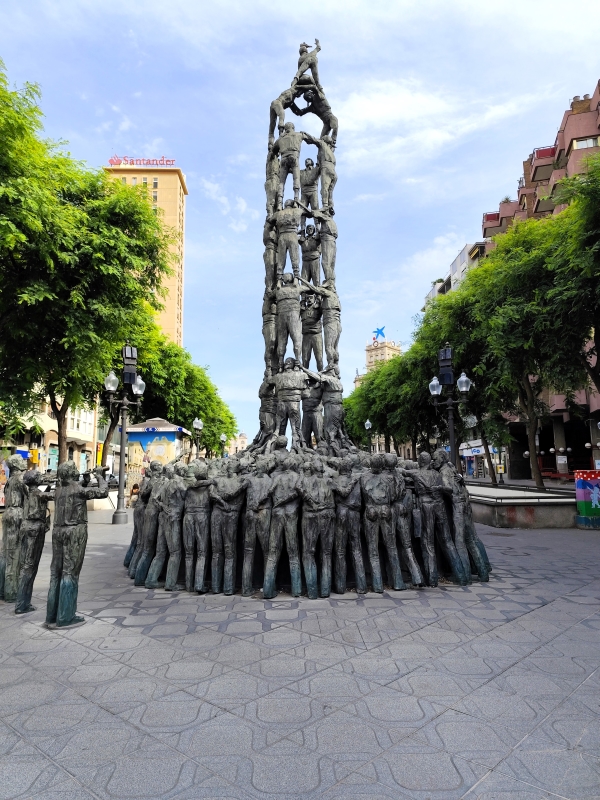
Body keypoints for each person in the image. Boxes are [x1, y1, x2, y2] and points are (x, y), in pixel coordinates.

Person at [46, 463, 108, 627]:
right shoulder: (78, 490)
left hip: (58, 531)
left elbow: (75, 491)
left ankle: (52, 615)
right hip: (74, 532)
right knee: (70, 573)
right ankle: (66, 617)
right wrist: (100, 475)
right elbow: (103, 492)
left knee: (56, 574)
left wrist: (85, 481)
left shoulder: (59, 489)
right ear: (73, 473)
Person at [360, 454, 404, 592]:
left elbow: (362, 493)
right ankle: (398, 582)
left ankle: (377, 585)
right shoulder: (388, 478)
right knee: (392, 548)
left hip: (370, 511)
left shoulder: (364, 477)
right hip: (386, 510)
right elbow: (395, 495)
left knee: (373, 551)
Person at [15, 470, 55, 614]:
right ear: (36, 480)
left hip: (26, 526)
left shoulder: (28, 493)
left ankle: (23, 602)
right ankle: (21, 604)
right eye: (40, 476)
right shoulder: (38, 494)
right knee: (30, 566)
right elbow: (56, 495)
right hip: (35, 528)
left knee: (26, 566)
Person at [263, 455, 302, 598]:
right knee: (293, 552)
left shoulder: (277, 478)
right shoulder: (298, 477)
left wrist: (277, 501)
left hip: (277, 513)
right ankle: (297, 589)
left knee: (273, 552)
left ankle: (267, 590)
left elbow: (269, 492)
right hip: (291, 513)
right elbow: (300, 494)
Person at [210, 459, 245, 595]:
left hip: (217, 514)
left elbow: (211, 494)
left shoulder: (217, 480)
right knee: (229, 552)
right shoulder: (241, 482)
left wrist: (220, 501)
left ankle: (215, 586)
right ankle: (228, 587)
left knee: (216, 551)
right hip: (231, 514)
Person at [333, 458, 366, 594]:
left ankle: (340, 586)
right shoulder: (358, 480)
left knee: (340, 550)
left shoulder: (335, 480)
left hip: (342, 513)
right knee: (356, 549)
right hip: (354, 514)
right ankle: (362, 585)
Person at [0, 454, 27, 602]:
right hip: (17, 513)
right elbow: (31, 494)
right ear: (16, 464)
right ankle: (11, 592)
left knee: (5, 553)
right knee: (14, 554)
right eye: (22, 461)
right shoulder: (20, 479)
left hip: (8, 513)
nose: (24, 463)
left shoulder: (10, 480)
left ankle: (2, 590)